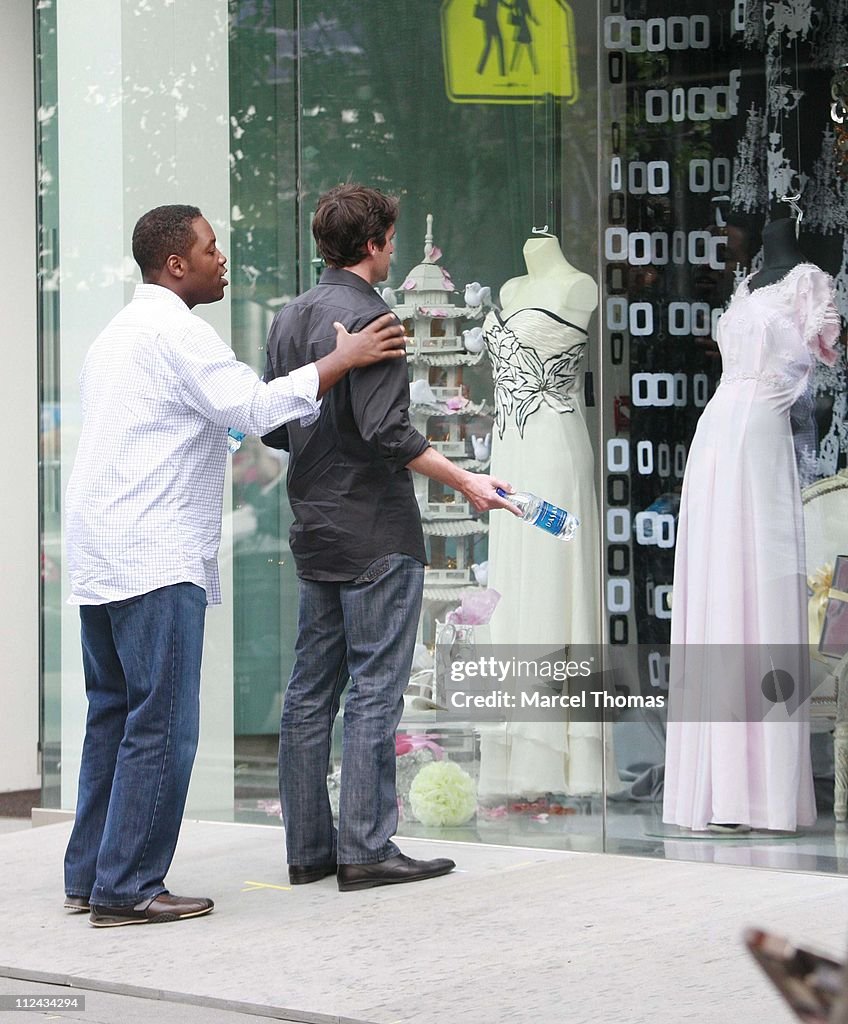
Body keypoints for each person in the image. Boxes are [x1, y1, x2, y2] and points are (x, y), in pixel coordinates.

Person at [63, 203, 406, 926]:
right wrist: (340, 361)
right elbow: (251, 408)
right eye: (211, 249)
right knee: (161, 727)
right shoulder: (176, 332)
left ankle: (92, 875)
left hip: (102, 557)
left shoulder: (117, 335)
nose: (224, 259)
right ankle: (129, 888)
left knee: (113, 720)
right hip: (155, 558)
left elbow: (193, 426)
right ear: (176, 264)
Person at [262, 184, 517, 891]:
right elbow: (386, 431)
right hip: (375, 527)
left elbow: (274, 425)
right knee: (376, 688)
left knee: (310, 692)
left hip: (316, 525)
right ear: (375, 244)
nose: (394, 247)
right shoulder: (375, 317)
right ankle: (367, 849)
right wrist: (466, 480)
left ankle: (310, 850)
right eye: (391, 237)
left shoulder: (292, 317)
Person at [662, 214, 840, 833]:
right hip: (716, 441)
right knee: (717, 595)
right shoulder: (745, 285)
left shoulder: (809, 283)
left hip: (763, 436)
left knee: (760, 592)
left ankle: (762, 790)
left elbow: (816, 381)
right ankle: (718, 787)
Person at [478, 234, 620, 802]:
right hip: (510, 453)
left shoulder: (578, 286)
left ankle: (567, 763)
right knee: (513, 591)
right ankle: (517, 765)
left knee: (556, 589)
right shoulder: (512, 289)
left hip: (555, 454)